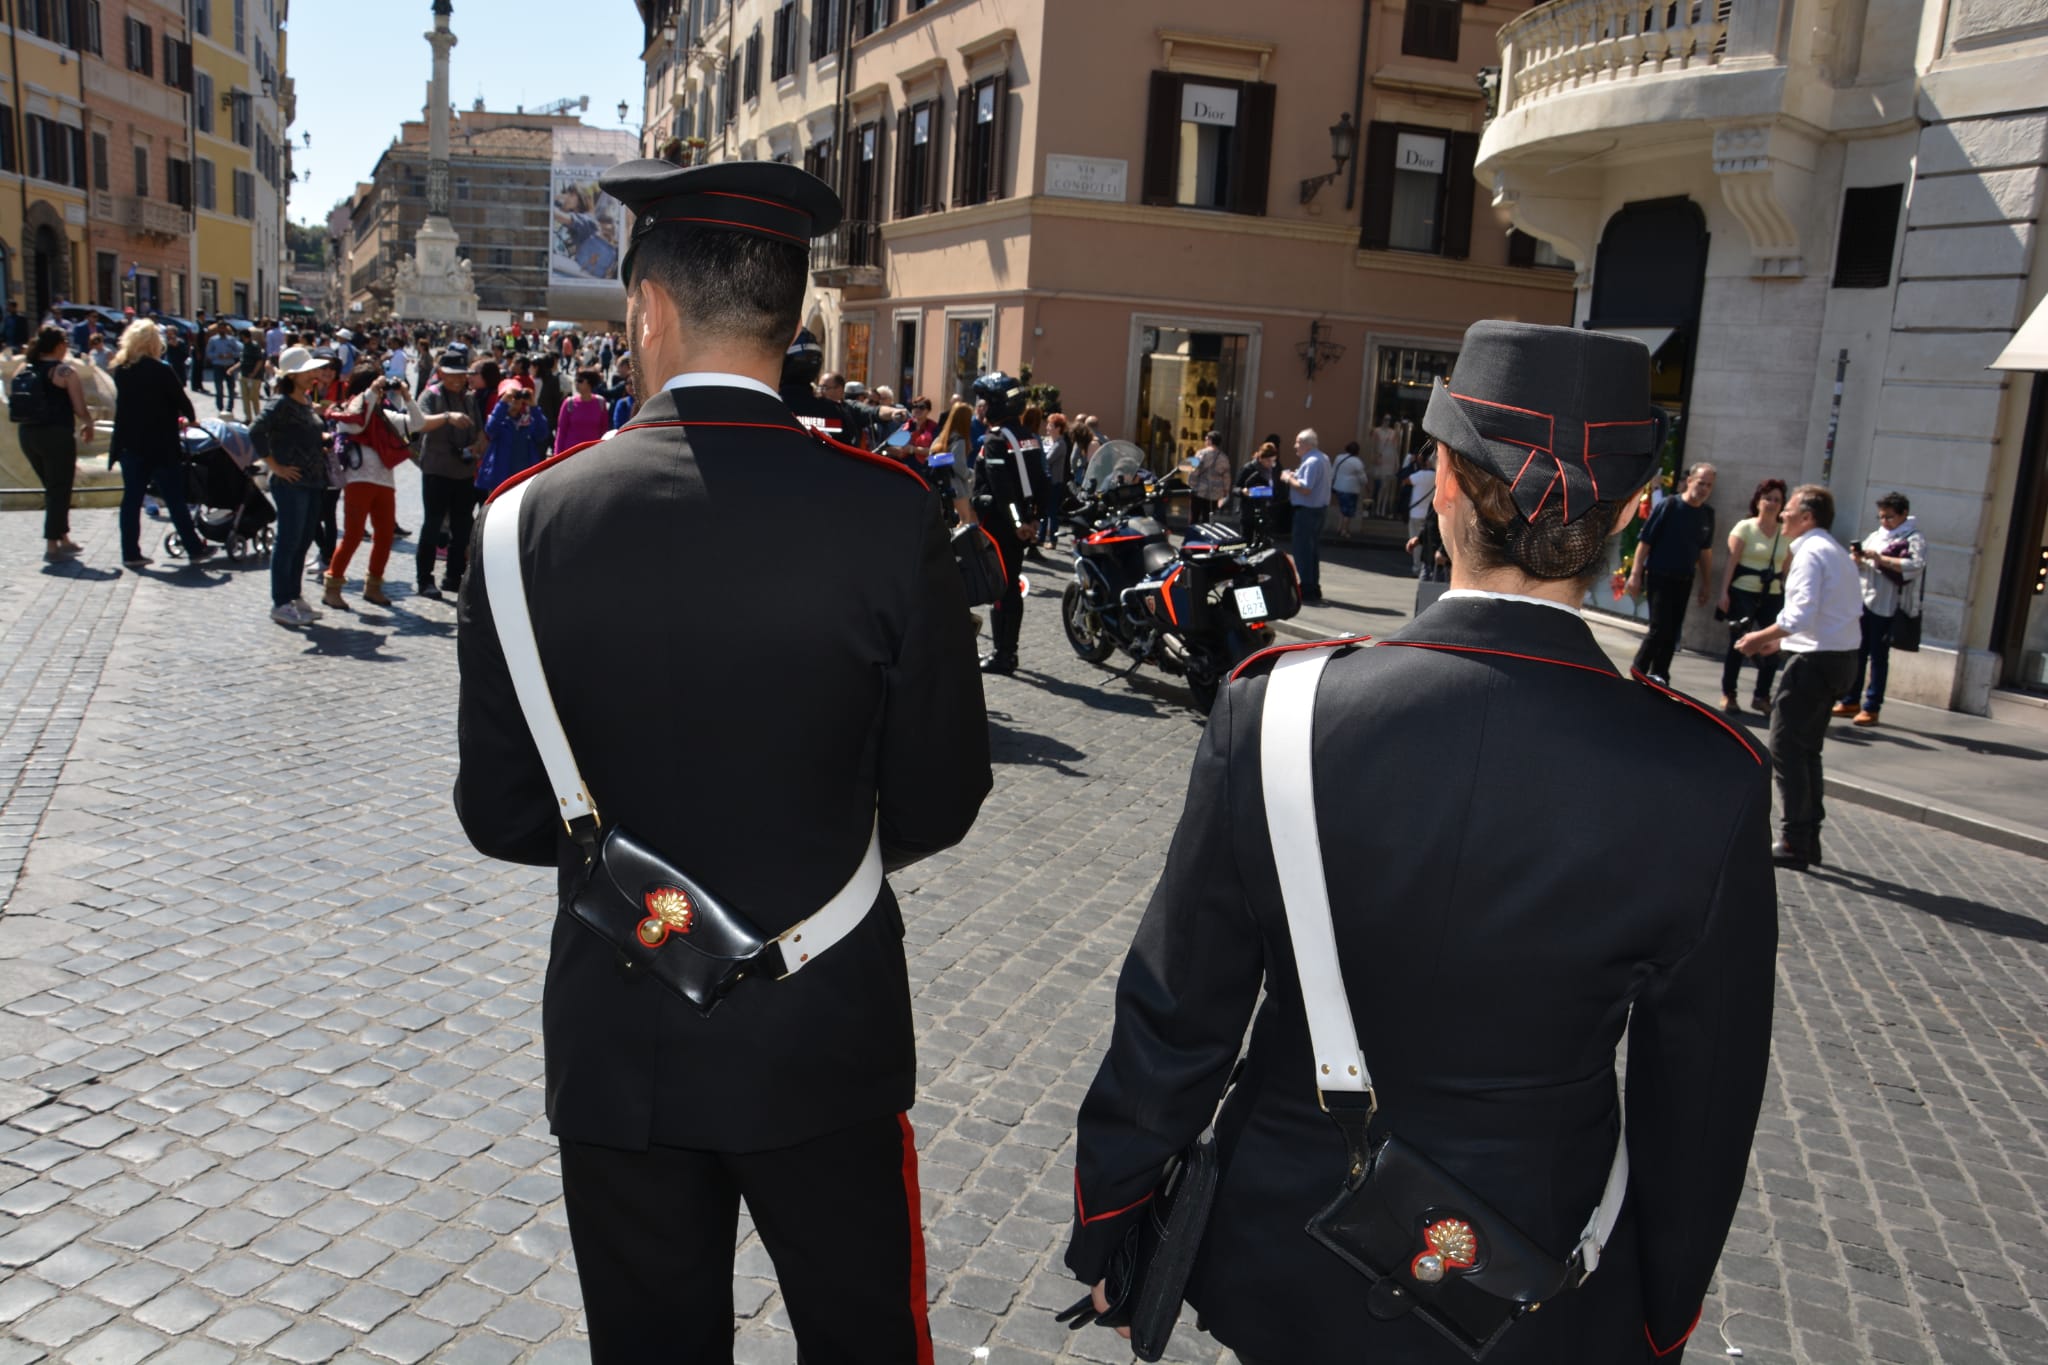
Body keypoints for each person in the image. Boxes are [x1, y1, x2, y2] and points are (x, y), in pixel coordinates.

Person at [1065, 320, 1775, 1365]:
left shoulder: (1278, 710)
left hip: (1285, 1242)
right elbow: (1701, 1105)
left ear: (1439, 481)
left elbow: (1177, 1015)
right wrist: (1656, 1311)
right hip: (1535, 1264)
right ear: (1627, 521)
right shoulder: (1706, 773)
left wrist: (1113, 1219)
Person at [455, 157, 991, 1365]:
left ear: (646, 307)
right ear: (794, 317)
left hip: (620, 1021)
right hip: (825, 1026)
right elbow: (941, 795)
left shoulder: (520, 524)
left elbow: (498, 814)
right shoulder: (885, 509)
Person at [1736, 484, 1865, 867]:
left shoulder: (1810, 552)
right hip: (1839, 658)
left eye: (1789, 509)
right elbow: (1828, 613)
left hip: (1816, 663)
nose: (1782, 515)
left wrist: (1759, 637)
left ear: (1807, 516)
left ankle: (1794, 840)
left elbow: (1799, 614)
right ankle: (1807, 838)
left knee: (1786, 748)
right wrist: (1781, 644)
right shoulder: (1836, 552)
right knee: (1807, 751)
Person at [325, 369, 463, 610]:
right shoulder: (348, 412)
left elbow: (418, 424)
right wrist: (371, 391)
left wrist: (407, 397)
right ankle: (333, 587)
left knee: (385, 535)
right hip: (359, 480)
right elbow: (358, 424)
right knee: (353, 535)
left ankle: (374, 586)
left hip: (384, 481)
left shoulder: (384, 416)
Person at [108, 321, 211, 569]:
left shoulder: (122, 370)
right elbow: (182, 401)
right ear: (154, 343)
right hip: (160, 443)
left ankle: (130, 553)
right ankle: (194, 547)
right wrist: (190, 418)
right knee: (174, 498)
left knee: (131, 500)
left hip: (130, 443)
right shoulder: (161, 369)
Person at [251, 347, 338, 628]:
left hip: (313, 480)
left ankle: (294, 595)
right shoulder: (281, 403)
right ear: (294, 375)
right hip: (292, 481)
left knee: (301, 542)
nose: (315, 374)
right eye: (309, 370)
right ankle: (281, 601)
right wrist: (274, 466)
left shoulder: (304, 400)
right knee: (288, 541)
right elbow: (256, 430)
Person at [970, 370, 1049, 674]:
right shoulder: (1029, 435)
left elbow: (1002, 490)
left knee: (1001, 590)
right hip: (1019, 524)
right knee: (1011, 588)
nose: (984, 406)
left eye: (987, 401)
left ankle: (1004, 654)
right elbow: (1043, 480)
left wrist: (1018, 522)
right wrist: (1034, 520)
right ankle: (1007, 652)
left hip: (1001, 526)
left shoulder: (996, 439)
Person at [1837, 492, 1927, 728]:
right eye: (1881, 517)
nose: (1884, 522)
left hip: (1887, 605)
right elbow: (1859, 560)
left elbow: (1915, 566)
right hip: (1864, 600)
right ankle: (1850, 700)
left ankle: (1872, 706)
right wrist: (1857, 559)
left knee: (1878, 657)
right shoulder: (1876, 536)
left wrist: (1881, 560)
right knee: (1857, 653)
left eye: (1889, 517)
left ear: (1903, 514)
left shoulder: (1913, 538)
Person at [1625, 462, 1718, 685]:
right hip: (1659, 575)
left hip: (1684, 578)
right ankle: (1638, 669)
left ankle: (1660, 674)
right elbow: (1645, 542)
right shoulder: (1668, 506)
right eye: (1700, 482)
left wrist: (1706, 583)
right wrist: (1636, 574)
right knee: (1659, 627)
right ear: (1689, 481)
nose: (1703, 488)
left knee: (1672, 630)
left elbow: (1705, 552)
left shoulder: (1707, 515)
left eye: (1708, 485)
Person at [16, 325, 96, 563]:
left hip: (27, 434)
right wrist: (88, 423)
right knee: (59, 488)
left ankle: (63, 537)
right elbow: (80, 408)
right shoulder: (64, 372)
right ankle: (52, 544)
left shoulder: (23, 368)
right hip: (56, 435)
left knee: (53, 488)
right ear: (60, 346)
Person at [1715, 478, 1792, 715]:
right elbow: (1731, 561)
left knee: (1771, 646)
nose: (1771, 503)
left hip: (1773, 594)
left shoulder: (1785, 533)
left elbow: (1787, 569)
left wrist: (1790, 600)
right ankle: (1729, 694)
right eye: (1767, 498)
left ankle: (1762, 695)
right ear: (1758, 501)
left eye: (1776, 499)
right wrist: (1723, 593)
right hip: (1743, 591)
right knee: (1739, 643)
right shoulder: (1744, 528)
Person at [415, 353, 480, 601]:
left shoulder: (470, 398)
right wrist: (446, 417)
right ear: (441, 373)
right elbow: (419, 422)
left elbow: (480, 432)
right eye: (452, 374)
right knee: (432, 526)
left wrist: (477, 446)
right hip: (437, 470)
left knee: (462, 528)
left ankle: (454, 576)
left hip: (463, 472)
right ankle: (425, 579)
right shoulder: (432, 395)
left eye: (462, 374)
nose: (458, 379)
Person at [1280, 428, 1332, 603]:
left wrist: (1288, 478)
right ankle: (1313, 586)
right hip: (1319, 510)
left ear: (1306, 444)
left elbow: (1305, 488)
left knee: (1303, 551)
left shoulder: (1311, 461)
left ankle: (1307, 588)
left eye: (1297, 442)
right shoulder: (1323, 458)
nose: (1295, 446)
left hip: (1307, 511)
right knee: (1312, 551)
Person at [554, 368, 611, 453]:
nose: (576, 383)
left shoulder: (601, 403)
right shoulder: (569, 403)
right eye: (576, 380)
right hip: (571, 452)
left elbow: (604, 429)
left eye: (580, 380)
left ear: (589, 383)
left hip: (593, 452)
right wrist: (557, 454)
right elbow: (561, 431)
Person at [1402, 445, 1437, 577]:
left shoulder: (1419, 475)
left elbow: (1404, 480)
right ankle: (1425, 567)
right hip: (1429, 514)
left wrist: (1409, 464)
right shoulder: (1437, 476)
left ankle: (1417, 567)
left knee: (1416, 541)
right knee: (1428, 542)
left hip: (1416, 512)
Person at [1188, 430, 1231, 526]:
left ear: (1210, 440)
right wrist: (1225, 491)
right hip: (1214, 493)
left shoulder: (1201, 453)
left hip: (1199, 491)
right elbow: (1226, 476)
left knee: (1194, 517)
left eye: (1206, 439)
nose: (1205, 441)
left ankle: (1192, 537)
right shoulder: (1223, 458)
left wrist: (1191, 485)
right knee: (1207, 519)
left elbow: (1194, 471)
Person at [1330, 439, 1368, 538]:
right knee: (1348, 511)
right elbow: (1363, 478)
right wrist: (1366, 485)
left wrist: (1332, 482)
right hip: (1351, 489)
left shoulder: (1339, 458)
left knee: (1342, 508)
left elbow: (1333, 471)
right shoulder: (1357, 462)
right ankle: (1344, 530)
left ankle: (1339, 527)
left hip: (1338, 487)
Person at [230, 326, 268, 423]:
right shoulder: (244, 346)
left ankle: (258, 417)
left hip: (254, 377)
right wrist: (233, 368)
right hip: (244, 375)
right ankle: (248, 418)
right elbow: (242, 361)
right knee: (245, 397)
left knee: (253, 397)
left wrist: (254, 372)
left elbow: (259, 361)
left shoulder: (254, 346)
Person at [1370, 413, 1403, 517]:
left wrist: (1397, 462)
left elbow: (1396, 449)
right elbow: (1373, 446)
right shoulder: (1377, 431)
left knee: (1387, 487)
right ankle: (1376, 508)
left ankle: (1383, 509)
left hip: (1390, 459)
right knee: (1379, 487)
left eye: (1388, 420)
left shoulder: (1393, 433)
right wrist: (1374, 457)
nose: (1387, 421)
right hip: (1381, 459)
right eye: (1385, 419)